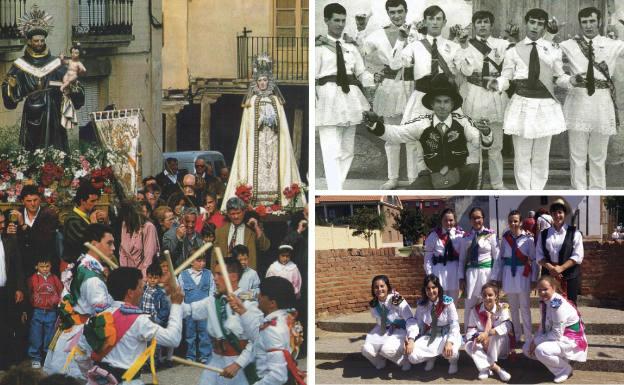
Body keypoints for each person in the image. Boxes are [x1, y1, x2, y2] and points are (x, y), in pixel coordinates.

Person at [365, 74, 493, 189]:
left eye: (446, 101)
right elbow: (396, 133)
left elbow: (479, 141)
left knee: (472, 169)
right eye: (438, 101)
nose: (442, 106)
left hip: (458, 176)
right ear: (431, 104)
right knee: (412, 194)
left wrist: (486, 132)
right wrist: (375, 125)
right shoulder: (423, 124)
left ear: (452, 104)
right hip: (432, 178)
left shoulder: (462, 122)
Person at [488, 8, 569, 190]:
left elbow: (560, 76)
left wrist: (572, 80)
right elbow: (507, 78)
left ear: (544, 27)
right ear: (526, 23)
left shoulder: (553, 49)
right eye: (532, 22)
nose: (535, 26)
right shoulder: (514, 50)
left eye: (540, 24)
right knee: (522, 156)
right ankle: (524, 190)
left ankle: (537, 190)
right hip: (522, 104)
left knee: (541, 155)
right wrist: (497, 84)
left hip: (545, 105)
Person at [1, 4, 85, 151]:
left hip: (53, 112)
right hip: (32, 112)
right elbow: (10, 97)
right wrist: (9, 86)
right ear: (29, 41)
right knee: (33, 151)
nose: (39, 43)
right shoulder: (20, 65)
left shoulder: (56, 63)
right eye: (36, 41)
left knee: (56, 149)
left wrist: (73, 87)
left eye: (41, 40)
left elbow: (74, 84)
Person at [80, 267, 184, 385]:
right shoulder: (140, 321)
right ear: (130, 292)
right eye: (140, 287)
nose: (142, 291)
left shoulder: (97, 317)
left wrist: (94, 376)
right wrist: (176, 305)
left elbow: (80, 355)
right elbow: (173, 339)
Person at [224, 54, 304, 206]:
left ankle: (279, 199)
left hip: (274, 143)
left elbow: (283, 127)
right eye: (260, 80)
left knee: (274, 168)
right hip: (257, 145)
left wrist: (274, 122)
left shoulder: (276, 101)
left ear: (269, 81)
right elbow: (248, 126)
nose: (262, 83)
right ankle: (254, 199)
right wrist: (259, 121)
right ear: (256, 82)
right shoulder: (252, 102)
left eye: (265, 80)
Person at [558, 7, 624, 189]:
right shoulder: (568, 45)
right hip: (578, 102)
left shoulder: (612, 44)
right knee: (577, 155)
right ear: (580, 24)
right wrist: (569, 79)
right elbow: (551, 65)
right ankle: (578, 190)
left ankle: (597, 192)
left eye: (592, 21)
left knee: (598, 156)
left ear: (599, 21)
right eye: (584, 22)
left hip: (602, 103)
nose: (588, 25)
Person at [43, 223, 114, 378]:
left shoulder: (80, 264)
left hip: (70, 332)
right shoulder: (92, 277)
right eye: (109, 243)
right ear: (94, 244)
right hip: (81, 337)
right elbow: (104, 313)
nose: (113, 248)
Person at [316, 2, 373, 190]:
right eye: (336, 20)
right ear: (326, 20)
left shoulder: (351, 47)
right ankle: (335, 189)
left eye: (343, 20)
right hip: (328, 99)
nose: (340, 24)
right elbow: (314, 77)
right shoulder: (318, 47)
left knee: (348, 151)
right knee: (331, 151)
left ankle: (336, 187)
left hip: (350, 99)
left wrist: (375, 81)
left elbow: (361, 73)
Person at [181, 257, 264, 385]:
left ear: (233, 277)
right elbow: (189, 310)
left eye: (219, 274)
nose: (214, 278)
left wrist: (237, 365)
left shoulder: (247, 303)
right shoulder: (213, 300)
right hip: (215, 360)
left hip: (240, 365)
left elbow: (258, 340)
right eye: (214, 273)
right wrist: (171, 296)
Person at [363, 0, 417, 189]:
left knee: (411, 134)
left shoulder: (415, 33)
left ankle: (413, 178)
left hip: (411, 86)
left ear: (406, 11)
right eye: (392, 12)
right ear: (387, 13)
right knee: (391, 134)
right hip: (389, 87)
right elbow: (361, 55)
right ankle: (392, 178)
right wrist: (374, 71)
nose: (396, 16)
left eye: (400, 11)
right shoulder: (377, 35)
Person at [457, 10, 510, 189]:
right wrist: (463, 47)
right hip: (473, 94)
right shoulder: (466, 45)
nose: (482, 25)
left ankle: (497, 184)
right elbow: (465, 72)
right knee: (473, 144)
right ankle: (474, 184)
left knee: (496, 146)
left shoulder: (502, 44)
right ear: (474, 25)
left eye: (485, 22)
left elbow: (512, 65)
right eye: (478, 22)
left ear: (491, 24)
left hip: (494, 96)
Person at [229, 276, 305, 385]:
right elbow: (259, 339)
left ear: (272, 303)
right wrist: (242, 311)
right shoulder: (287, 318)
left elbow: (278, 376)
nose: (258, 297)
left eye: (261, 294)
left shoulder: (272, 329)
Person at [524, 275, 588, 383]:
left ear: (553, 288)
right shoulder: (545, 301)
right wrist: (535, 339)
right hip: (555, 334)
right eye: (539, 290)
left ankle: (564, 369)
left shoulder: (557, 304)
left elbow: (557, 334)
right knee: (527, 348)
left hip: (569, 339)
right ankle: (559, 360)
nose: (542, 292)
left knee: (541, 350)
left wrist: (537, 342)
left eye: (545, 289)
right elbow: (544, 323)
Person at [495, 210, 538, 343]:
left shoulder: (528, 240)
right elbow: (501, 259)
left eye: (516, 221)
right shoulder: (505, 239)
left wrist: (534, 279)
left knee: (525, 308)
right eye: (511, 221)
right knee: (513, 308)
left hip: (523, 275)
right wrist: (499, 278)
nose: (513, 223)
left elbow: (534, 259)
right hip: (509, 275)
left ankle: (528, 337)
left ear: (520, 222)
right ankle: (517, 336)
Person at [405, 274, 461, 374]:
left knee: (451, 352)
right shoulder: (422, 304)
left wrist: (450, 341)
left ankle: (453, 362)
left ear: (438, 287)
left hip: (447, 334)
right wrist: (411, 339)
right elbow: (416, 323)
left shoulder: (447, 302)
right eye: (428, 288)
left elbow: (454, 324)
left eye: (433, 287)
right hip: (431, 335)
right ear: (425, 290)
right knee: (412, 356)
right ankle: (431, 357)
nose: (431, 291)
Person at [361, 275, 414, 371]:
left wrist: (410, 337)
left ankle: (404, 361)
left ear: (387, 287)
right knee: (366, 350)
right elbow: (379, 321)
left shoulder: (396, 299)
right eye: (376, 287)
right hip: (384, 328)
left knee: (386, 350)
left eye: (382, 286)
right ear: (373, 290)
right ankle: (380, 360)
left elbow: (410, 319)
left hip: (400, 330)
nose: (379, 289)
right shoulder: (373, 304)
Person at [459, 207, 499, 332]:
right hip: (471, 275)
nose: (477, 220)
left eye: (479, 217)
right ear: (470, 220)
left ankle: (488, 332)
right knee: (469, 305)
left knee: (486, 304)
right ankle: (468, 333)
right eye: (474, 218)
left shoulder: (491, 235)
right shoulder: (466, 237)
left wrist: (494, 278)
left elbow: (497, 257)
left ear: (483, 219)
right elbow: (462, 259)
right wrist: (461, 277)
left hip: (486, 274)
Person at [536, 202, 584, 304]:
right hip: (549, 274)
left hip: (569, 275)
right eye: (554, 213)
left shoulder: (574, 232)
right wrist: (551, 268)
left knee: (569, 304)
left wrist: (561, 268)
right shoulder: (544, 233)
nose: (557, 215)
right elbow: (539, 255)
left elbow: (578, 256)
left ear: (565, 214)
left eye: (560, 212)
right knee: (548, 304)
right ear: (551, 215)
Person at [464, 282, 513, 382]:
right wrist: (478, 336)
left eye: (490, 295)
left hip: (500, 345)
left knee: (494, 335)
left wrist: (489, 333)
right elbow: (470, 330)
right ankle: (495, 368)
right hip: (483, 343)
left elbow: (508, 326)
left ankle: (484, 367)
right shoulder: (475, 310)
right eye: (484, 295)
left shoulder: (502, 307)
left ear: (496, 296)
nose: (487, 298)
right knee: (468, 345)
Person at [177, 252, 215, 364]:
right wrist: (183, 308)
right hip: (189, 310)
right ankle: (190, 356)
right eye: (199, 261)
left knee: (205, 333)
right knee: (190, 334)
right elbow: (181, 294)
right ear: (191, 261)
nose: (202, 263)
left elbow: (212, 292)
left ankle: (205, 355)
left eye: (203, 261)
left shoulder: (209, 274)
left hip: (204, 310)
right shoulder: (183, 275)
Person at [14, 185, 60, 275]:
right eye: (29, 201)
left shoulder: (49, 215)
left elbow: (44, 240)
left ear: (40, 199)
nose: (33, 204)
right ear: (23, 201)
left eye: (35, 200)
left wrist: (23, 225)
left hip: (44, 263)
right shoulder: (17, 214)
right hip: (23, 264)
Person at [26, 255, 63, 369]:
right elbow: (28, 293)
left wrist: (57, 301)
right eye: (42, 266)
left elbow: (61, 291)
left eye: (47, 266)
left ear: (51, 266)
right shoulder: (32, 279)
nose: (45, 269)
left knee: (49, 336)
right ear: (36, 266)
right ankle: (35, 358)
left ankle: (47, 358)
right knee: (35, 335)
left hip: (51, 312)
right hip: (37, 311)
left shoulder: (55, 278)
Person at [0, 211, 26, 371]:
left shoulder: (9, 240)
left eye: (3, 222)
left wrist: (19, 288)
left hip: (6, 291)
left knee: (7, 327)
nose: (3, 225)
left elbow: (18, 267)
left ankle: (6, 362)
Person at [215, 197, 270, 270]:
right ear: (228, 214)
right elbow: (214, 257)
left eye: (238, 213)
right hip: (227, 273)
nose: (236, 216)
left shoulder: (251, 230)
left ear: (244, 212)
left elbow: (264, 246)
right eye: (232, 214)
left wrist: (256, 227)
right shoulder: (220, 231)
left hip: (246, 273)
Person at [423, 208, 463, 302]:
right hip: (439, 273)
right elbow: (427, 259)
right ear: (441, 221)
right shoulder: (433, 236)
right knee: (440, 303)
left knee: (453, 304)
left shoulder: (460, 235)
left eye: (451, 220)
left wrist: (462, 276)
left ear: (455, 220)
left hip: (454, 273)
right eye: (445, 220)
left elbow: (463, 257)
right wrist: (430, 276)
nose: (448, 223)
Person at [62, 183, 106, 268]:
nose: (96, 204)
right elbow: (87, 244)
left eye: (97, 200)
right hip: (75, 265)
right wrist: (94, 225)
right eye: (92, 201)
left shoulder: (89, 215)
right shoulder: (72, 220)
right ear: (82, 201)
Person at [118, 200, 159, 278]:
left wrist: (143, 279)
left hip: (143, 274)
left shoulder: (149, 227)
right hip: (128, 274)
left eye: (127, 216)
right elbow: (123, 252)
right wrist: (124, 274)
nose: (125, 219)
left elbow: (149, 256)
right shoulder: (125, 224)